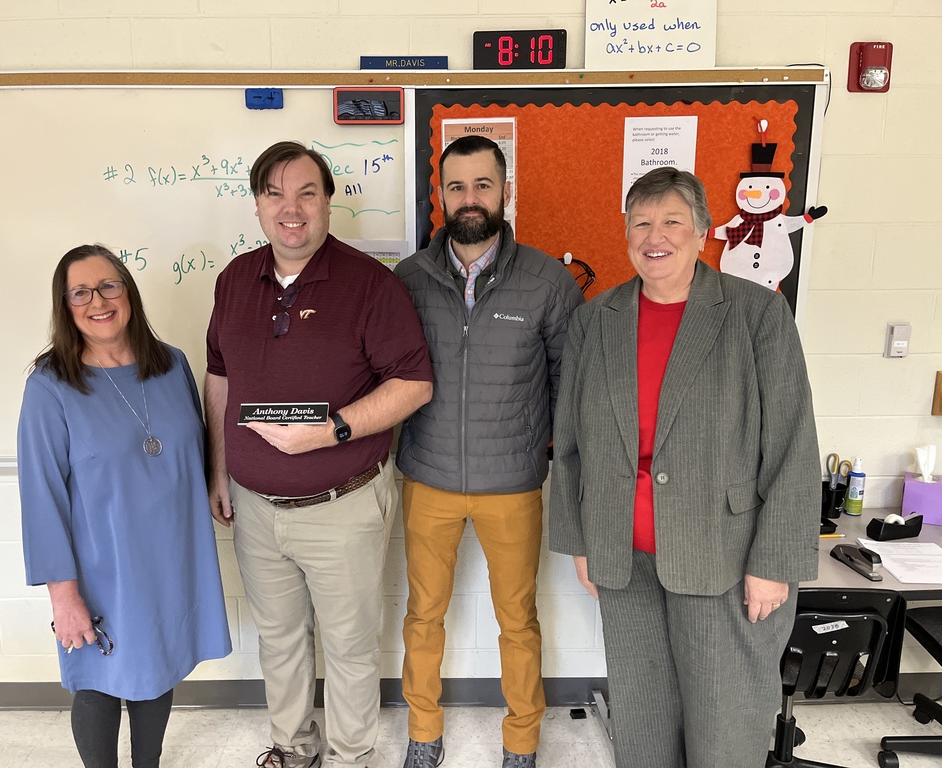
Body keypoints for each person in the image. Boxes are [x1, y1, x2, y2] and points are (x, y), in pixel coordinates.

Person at [548, 166, 820, 768]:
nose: (656, 236)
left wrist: (775, 563)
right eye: (641, 222)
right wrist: (580, 541)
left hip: (724, 555)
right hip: (623, 553)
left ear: (702, 232)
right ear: (626, 234)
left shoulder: (756, 314)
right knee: (643, 720)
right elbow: (569, 442)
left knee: (723, 724)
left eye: (672, 221)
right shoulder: (596, 319)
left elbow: (793, 444)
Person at [204, 140, 433, 768]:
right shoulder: (234, 281)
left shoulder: (371, 284)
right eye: (275, 194)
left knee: (350, 646)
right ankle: (293, 746)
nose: (291, 209)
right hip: (254, 507)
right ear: (257, 205)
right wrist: (219, 469)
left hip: (343, 505)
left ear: (329, 202)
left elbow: (414, 384)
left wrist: (332, 431)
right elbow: (219, 376)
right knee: (279, 639)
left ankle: (351, 755)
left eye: (307, 193)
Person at [394, 135, 585, 768]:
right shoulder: (408, 280)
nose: (470, 197)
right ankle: (424, 734)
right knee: (423, 616)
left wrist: (555, 458)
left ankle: (522, 742)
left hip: (513, 483)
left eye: (483, 184)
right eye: (457, 186)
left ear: (506, 191)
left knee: (518, 621)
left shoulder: (548, 281)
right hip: (428, 478)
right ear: (440, 195)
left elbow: (569, 385)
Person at [18, 244, 232, 768]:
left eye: (108, 286)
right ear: (65, 306)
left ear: (128, 292)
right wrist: (63, 596)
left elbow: (192, 448)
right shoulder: (50, 386)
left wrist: (216, 481)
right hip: (102, 565)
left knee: (157, 668)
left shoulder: (172, 364)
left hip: (170, 557)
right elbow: (41, 494)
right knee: (98, 678)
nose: (98, 301)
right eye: (80, 293)